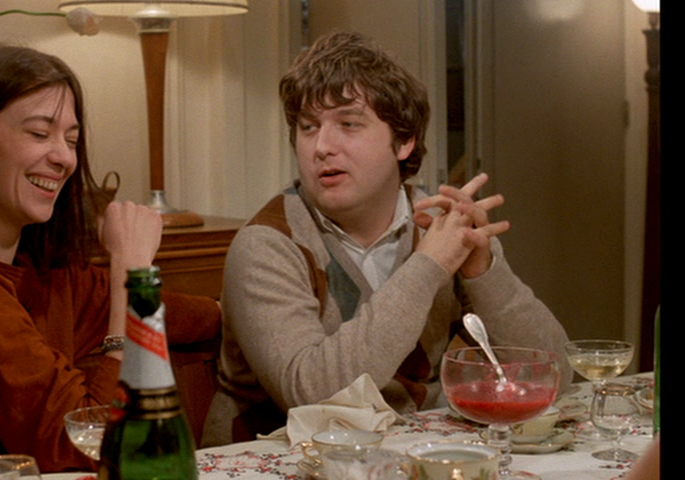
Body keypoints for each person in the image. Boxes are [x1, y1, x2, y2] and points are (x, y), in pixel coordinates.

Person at [0, 44, 220, 479]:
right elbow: (84, 445)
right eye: (39, 133)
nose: (64, 158)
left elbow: (203, 318)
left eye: (72, 140)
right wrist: (131, 271)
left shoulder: (47, 275)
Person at [201, 31, 572, 447]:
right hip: (275, 458)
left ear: (404, 140)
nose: (322, 146)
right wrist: (428, 267)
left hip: (412, 452)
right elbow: (314, 397)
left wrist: (483, 272)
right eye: (308, 127)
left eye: (348, 124)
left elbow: (555, 374)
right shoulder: (266, 245)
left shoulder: (442, 227)